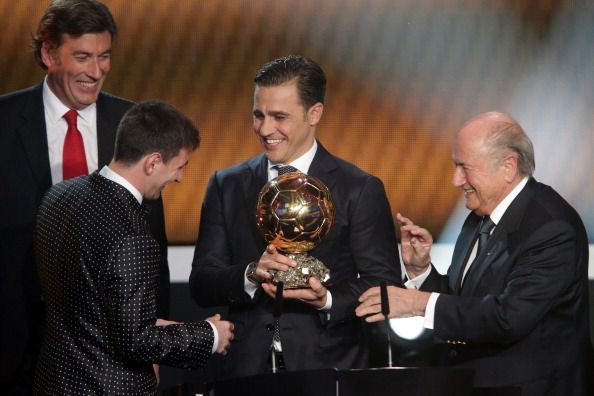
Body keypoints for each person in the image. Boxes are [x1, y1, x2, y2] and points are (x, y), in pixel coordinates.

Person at [189, 54, 401, 378]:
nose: (264, 128)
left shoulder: (358, 188)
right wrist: (250, 273)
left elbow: (383, 286)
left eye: (279, 117)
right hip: (248, 372)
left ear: (314, 113)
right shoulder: (226, 184)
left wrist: (327, 299)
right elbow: (203, 283)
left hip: (328, 369)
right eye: (258, 115)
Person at [356, 112, 594, 395]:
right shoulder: (477, 218)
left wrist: (415, 303)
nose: (457, 180)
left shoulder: (550, 227)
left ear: (508, 166)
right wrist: (422, 272)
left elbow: (507, 318)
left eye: (464, 167)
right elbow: (467, 303)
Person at [0, 1, 170, 392]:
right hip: (17, 344)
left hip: (113, 348)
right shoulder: (5, 122)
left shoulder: (135, 126)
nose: (96, 72)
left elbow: (152, 247)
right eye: (82, 57)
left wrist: (154, 346)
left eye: (104, 56)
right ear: (48, 53)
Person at [33, 100, 234, 395]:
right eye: (179, 167)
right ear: (152, 162)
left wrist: (159, 325)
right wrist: (210, 335)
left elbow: (88, 306)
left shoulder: (59, 195)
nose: (179, 178)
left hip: (53, 383)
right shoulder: (132, 234)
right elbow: (136, 342)